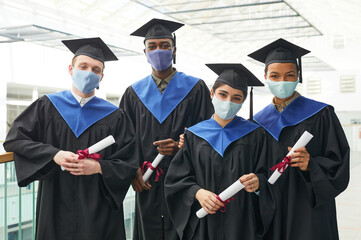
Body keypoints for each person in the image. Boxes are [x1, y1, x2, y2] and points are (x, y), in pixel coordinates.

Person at [4, 37, 138, 240]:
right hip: (55, 199)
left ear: (101, 77)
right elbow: (15, 140)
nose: (89, 72)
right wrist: (54, 154)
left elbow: (130, 159)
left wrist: (100, 167)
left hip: (99, 203)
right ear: (70, 69)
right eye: (83, 66)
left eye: (95, 69)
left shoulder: (115, 115)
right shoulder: (47, 106)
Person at [119, 18, 214, 240]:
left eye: (165, 45)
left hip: (184, 180)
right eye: (152, 46)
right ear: (145, 52)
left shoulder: (196, 88)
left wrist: (182, 147)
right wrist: (133, 170)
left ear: (174, 50)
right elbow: (124, 140)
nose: (158, 50)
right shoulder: (133, 93)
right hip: (147, 181)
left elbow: (207, 134)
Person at [248, 38, 350, 240]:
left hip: (309, 210)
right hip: (273, 207)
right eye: (275, 76)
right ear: (266, 76)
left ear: (298, 76)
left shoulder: (322, 114)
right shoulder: (257, 122)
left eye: (289, 75)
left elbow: (339, 163)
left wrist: (311, 165)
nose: (282, 81)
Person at [164, 63, 275, 240]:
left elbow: (268, 176)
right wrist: (197, 193)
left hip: (242, 225)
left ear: (243, 101)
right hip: (204, 224)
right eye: (223, 94)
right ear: (212, 94)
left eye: (236, 98)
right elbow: (176, 180)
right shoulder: (193, 135)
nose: (228, 102)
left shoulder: (256, 135)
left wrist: (259, 183)